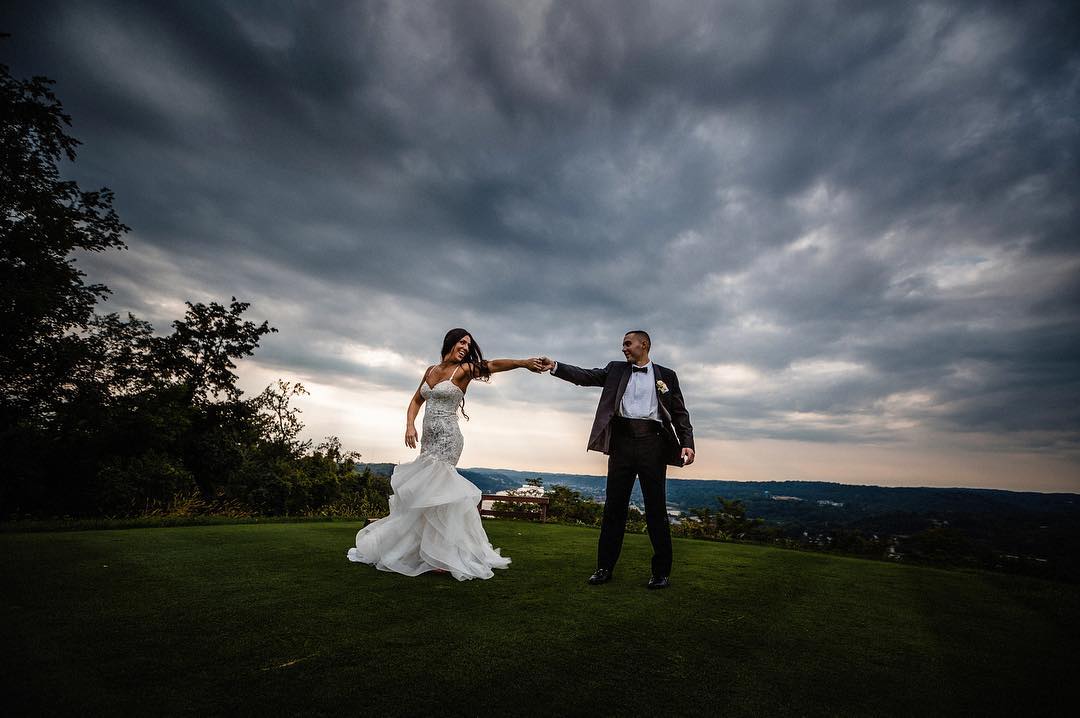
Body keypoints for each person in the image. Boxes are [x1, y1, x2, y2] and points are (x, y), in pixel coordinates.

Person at [347, 328, 544, 580]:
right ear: (450, 342)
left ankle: (443, 554)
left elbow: (492, 364)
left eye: (468, 344)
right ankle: (422, 550)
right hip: (428, 441)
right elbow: (416, 400)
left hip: (449, 440)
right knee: (425, 494)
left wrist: (523, 363)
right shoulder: (431, 371)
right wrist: (410, 425)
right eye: (461, 341)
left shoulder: (464, 370)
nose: (465, 346)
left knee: (440, 494)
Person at [539, 331, 694, 589]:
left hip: (653, 446)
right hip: (621, 444)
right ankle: (604, 568)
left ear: (643, 345)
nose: (623, 348)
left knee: (656, 511)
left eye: (627, 343)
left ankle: (661, 573)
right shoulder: (615, 370)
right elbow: (586, 376)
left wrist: (687, 443)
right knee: (613, 508)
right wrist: (555, 366)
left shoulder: (667, 375)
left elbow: (679, 412)